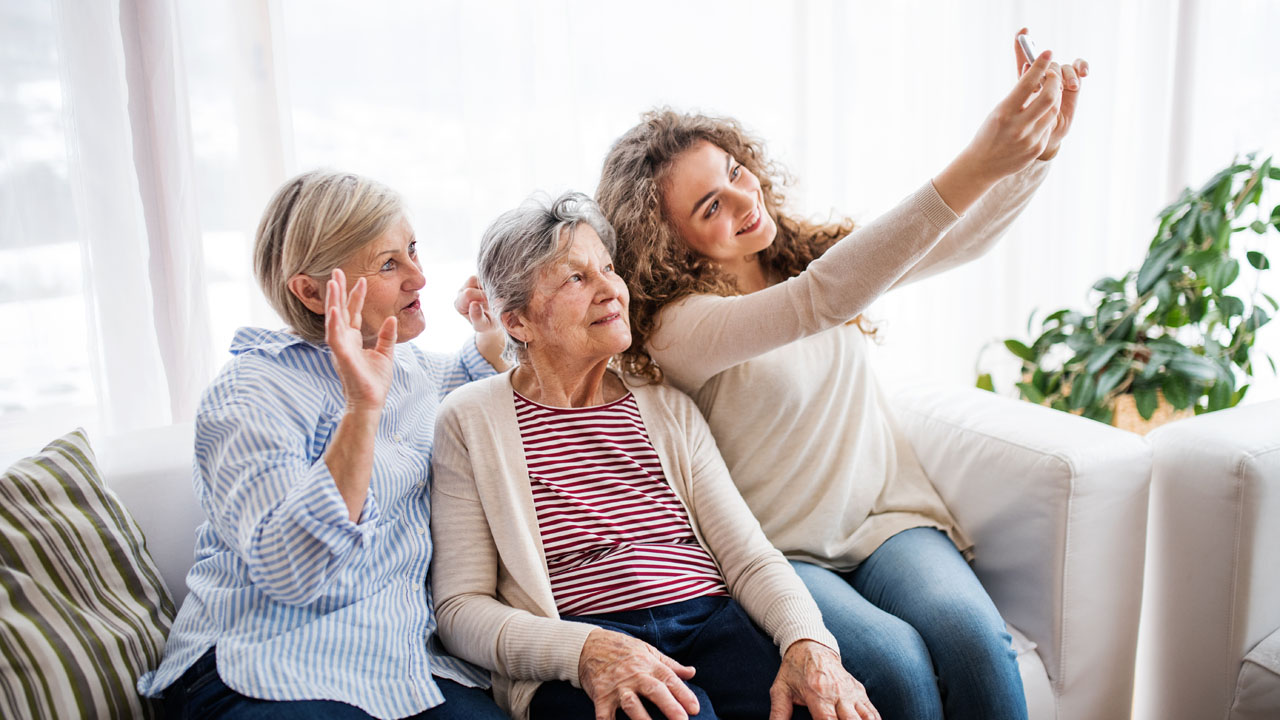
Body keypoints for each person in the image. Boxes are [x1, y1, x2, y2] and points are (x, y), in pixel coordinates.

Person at [591, 32, 1089, 720]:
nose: (743, 199)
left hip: (889, 523)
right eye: (710, 206)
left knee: (975, 640)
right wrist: (980, 158)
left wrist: (1039, 150)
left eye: (736, 171)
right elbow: (816, 302)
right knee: (896, 666)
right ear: (666, 239)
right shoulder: (682, 327)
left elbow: (960, 239)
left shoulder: (805, 255)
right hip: (782, 555)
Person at [430, 192, 880, 720]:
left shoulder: (667, 407)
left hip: (714, 624)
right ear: (519, 322)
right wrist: (585, 651)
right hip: (585, 639)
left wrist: (809, 643)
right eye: (576, 279)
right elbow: (460, 610)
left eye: (608, 268)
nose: (610, 292)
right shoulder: (470, 419)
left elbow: (750, 558)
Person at [137, 170, 510, 719]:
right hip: (267, 664)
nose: (420, 278)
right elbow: (292, 571)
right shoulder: (249, 392)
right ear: (311, 292)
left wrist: (492, 331)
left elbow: (481, 389)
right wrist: (362, 409)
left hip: (407, 666)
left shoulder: (417, 371)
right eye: (389, 264)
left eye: (412, 250)